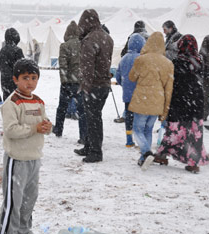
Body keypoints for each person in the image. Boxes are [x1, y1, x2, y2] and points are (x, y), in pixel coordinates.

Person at [0, 58, 52, 234]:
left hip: (34, 158)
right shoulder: (12, 103)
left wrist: (47, 127)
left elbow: (43, 122)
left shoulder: (38, 101)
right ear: (15, 79)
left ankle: (23, 231)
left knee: (30, 198)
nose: (30, 82)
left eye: (34, 78)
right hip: (17, 159)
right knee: (14, 200)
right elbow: (11, 130)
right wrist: (34, 128)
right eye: (25, 78)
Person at [154, 35, 209, 174]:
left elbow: (171, 81)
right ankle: (193, 163)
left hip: (180, 100)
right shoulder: (199, 61)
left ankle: (162, 155)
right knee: (193, 132)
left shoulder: (176, 62)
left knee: (174, 129)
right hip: (196, 100)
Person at [128, 32, 174, 169]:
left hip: (142, 99)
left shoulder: (141, 60)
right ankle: (144, 158)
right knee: (148, 129)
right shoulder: (168, 63)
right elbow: (168, 89)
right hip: (158, 101)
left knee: (137, 129)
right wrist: (165, 109)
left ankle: (146, 152)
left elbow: (132, 77)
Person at [74, 9, 113, 163]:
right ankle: (89, 146)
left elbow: (87, 67)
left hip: (93, 85)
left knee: (93, 119)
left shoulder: (89, 40)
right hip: (104, 84)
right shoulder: (107, 37)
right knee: (95, 117)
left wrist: (86, 86)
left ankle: (95, 151)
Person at [53, 20, 86, 143]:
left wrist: (64, 81)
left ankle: (58, 129)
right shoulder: (83, 44)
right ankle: (83, 136)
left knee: (62, 107)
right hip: (80, 83)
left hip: (68, 82)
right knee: (82, 110)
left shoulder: (65, 46)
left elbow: (63, 65)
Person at [116, 33, 146, 148]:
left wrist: (124, 85)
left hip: (127, 94)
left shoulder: (123, 59)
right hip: (140, 94)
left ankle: (129, 140)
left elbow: (118, 77)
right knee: (139, 117)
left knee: (128, 116)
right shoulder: (142, 59)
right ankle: (140, 139)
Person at [0, 28, 24, 100]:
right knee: (17, 103)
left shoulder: (2, 50)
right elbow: (22, 67)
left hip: (4, 80)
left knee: (7, 101)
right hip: (16, 81)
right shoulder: (18, 50)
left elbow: (2, 66)